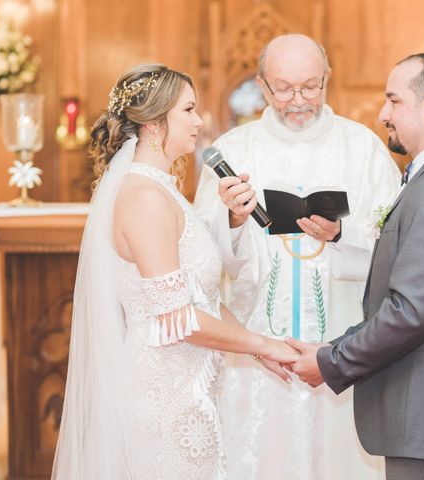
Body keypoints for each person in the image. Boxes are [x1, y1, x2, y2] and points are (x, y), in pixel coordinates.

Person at [52, 63, 298, 480]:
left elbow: (203, 301)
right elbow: (177, 319)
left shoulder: (163, 190)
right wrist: (264, 345)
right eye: (188, 110)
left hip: (188, 395)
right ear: (152, 123)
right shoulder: (144, 197)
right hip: (162, 401)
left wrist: (261, 348)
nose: (199, 121)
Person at [195, 34, 401, 479]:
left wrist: (341, 234)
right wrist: (232, 220)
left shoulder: (361, 147)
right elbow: (203, 261)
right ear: (262, 86)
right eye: (284, 88)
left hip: (341, 341)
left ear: (327, 79)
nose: (298, 100)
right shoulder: (234, 149)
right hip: (257, 346)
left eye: (311, 86)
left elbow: (396, 245)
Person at [288, 53, 424, 480]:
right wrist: (330, 349)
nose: (383, 114)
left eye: (394, 101)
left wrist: (331, 362)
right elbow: (399, 302)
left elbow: (411, 312)